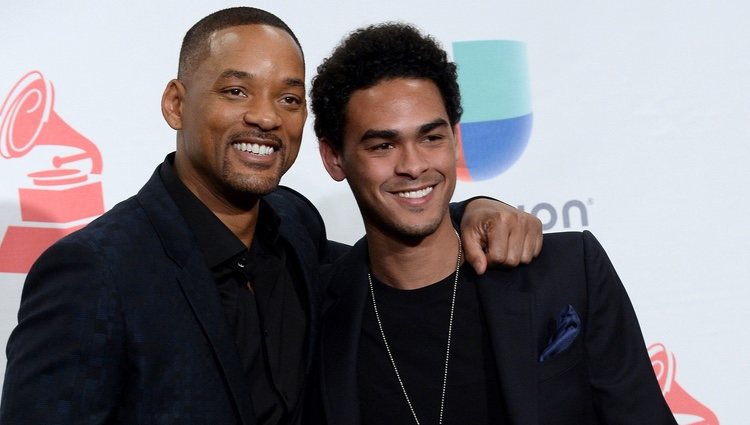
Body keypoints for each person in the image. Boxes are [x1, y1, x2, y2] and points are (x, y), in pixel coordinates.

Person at [0, 8, 543, 425]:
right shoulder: (94, 272)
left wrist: (474, 209)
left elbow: (396, 244)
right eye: (236, 91)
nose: (264, 117)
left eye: (288, 99)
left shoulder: (295, 227)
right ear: (175, 104)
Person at [311, 23, 677, 424]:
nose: (414, 165)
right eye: (383, 145)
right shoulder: (314, 314)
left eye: (431, 138)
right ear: (335, 158)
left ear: (454, 137)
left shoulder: (570, 271)